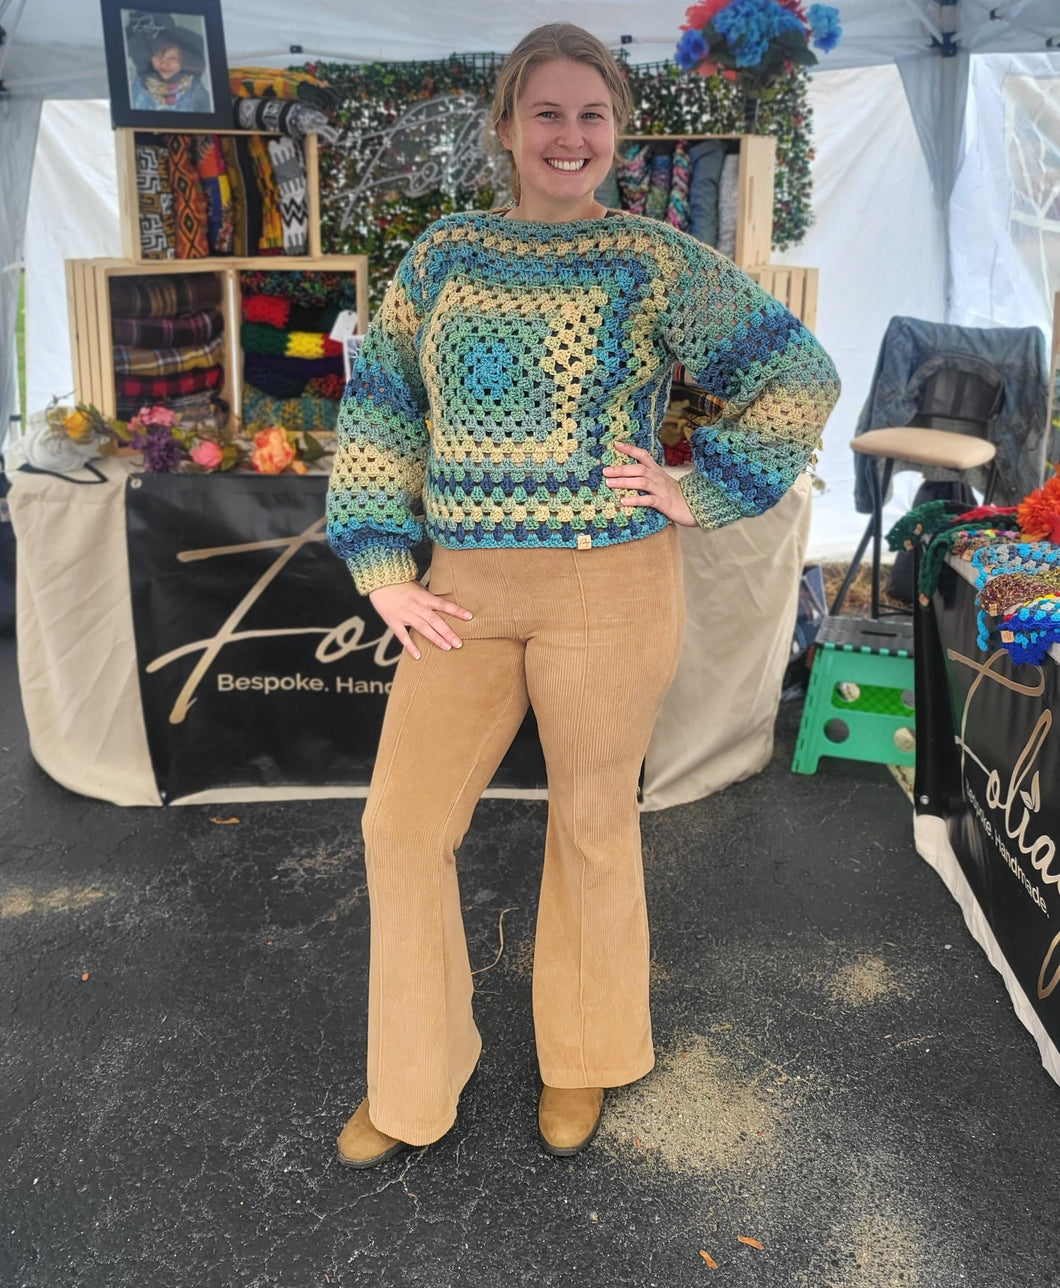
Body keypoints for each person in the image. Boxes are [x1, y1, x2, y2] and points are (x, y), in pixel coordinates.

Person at [325, 21, 840, 1168]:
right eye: (547, 113)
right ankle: (413, 1080)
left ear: (617, 132)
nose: (571, 136)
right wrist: (380, 565)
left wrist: (697, 487)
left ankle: (584, 1057)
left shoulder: (654, 260)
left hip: (610, 587)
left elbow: (794, 372)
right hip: (461, 588)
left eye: (592, 115)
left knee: (594, 824)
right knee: (401, 827)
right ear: (506, 129)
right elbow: (381, 406)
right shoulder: (444, 256)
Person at [126, 16, 211, 113]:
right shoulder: (136, 89)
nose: (164, 63)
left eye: (173, 58)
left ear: (185, 61)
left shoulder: (196, 92)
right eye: (159, 55)